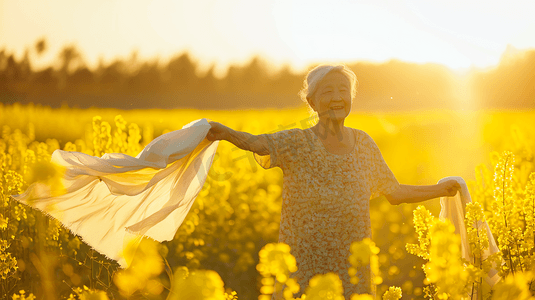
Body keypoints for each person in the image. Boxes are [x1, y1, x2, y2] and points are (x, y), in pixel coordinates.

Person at [206, 64, 461, 299]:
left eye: (344, 90)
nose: (338, 97)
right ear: (312, 102)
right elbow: (257, 143)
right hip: (301, 268)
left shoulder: (364, 144)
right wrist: (225, 133)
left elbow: (394, 192)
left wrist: (439, 190)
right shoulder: (297, 142)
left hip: (352, 268)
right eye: (328, 91)